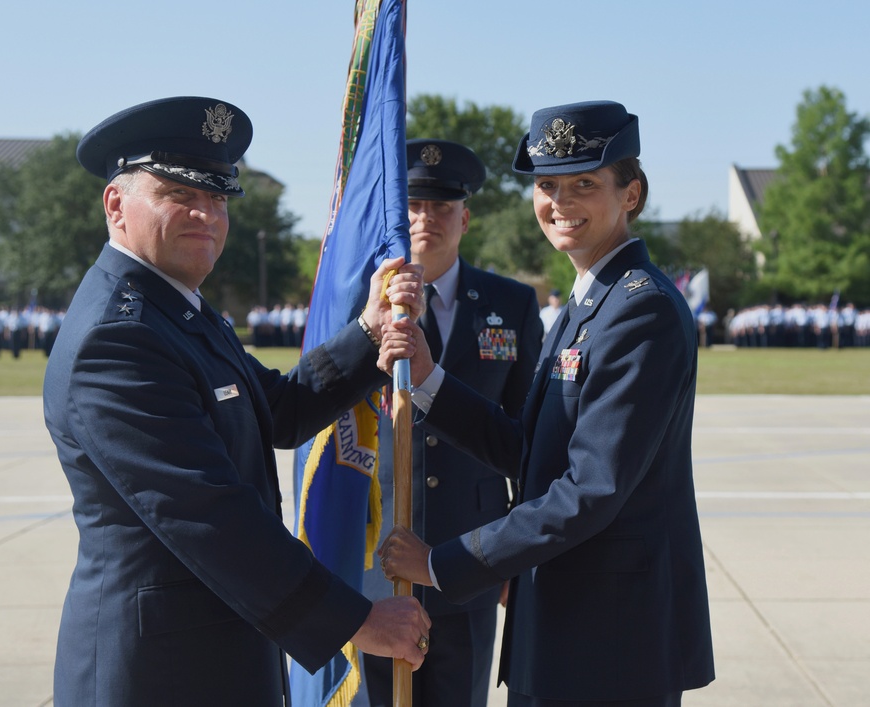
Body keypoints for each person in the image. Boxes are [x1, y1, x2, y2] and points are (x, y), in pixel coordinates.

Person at [43, 96, 431, 706]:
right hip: (159, 672)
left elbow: (278, 408)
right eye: (179, 193)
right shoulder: (118, 338)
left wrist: (369, 334)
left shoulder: (176, 313)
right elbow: (208, 515)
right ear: (116, 205)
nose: (206, 213)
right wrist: (355, 620)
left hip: (215, 648)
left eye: (219, 197)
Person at [377, 101, 715, 706]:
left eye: (585, 184)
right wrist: (429, 379)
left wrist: (443, 562)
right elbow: (532, 452)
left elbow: (592, 486)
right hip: (565, 624)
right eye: (547, 184)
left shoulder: (641, 308)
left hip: (610, 637)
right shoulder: (590, 303)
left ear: (630, 194)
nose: (559, 203)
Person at [359, 139, 542, 707]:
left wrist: (515, 549)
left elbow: (526, 437)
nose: (426, 219)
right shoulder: (361, 306)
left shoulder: (511, 304)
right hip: (377, 549)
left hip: (473, 549)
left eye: (442, 207)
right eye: (413, 205)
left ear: (465, 217)